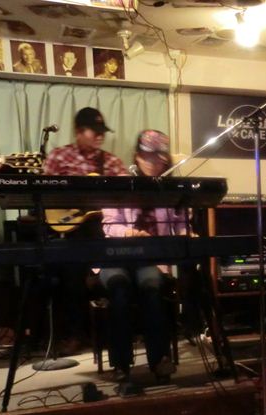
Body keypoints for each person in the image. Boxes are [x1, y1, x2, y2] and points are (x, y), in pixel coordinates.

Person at [100, 130, 184, 395]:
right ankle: (121, 364)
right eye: (148, 156)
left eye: (159, 157)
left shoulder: (169, 188)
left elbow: (181, 223)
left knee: (151, 286)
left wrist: (187, 234)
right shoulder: (119, 183)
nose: (153, 161)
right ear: (137, 156)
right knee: (119, 286)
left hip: (150, 259)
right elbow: (109, 225)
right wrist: (128, 232)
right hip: (116, 256)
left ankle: (159, 361)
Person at [41, 107, 129, 356]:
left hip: (101, 228)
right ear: (79, 131)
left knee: (112, 272)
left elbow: (127, 194)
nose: (100, 136)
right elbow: (45, 193)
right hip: (70, 228)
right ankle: (75, 334)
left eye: (103, 131)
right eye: (95, 131)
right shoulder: (59, 156)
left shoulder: (111, 162)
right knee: (70, 277)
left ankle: (110, 333)